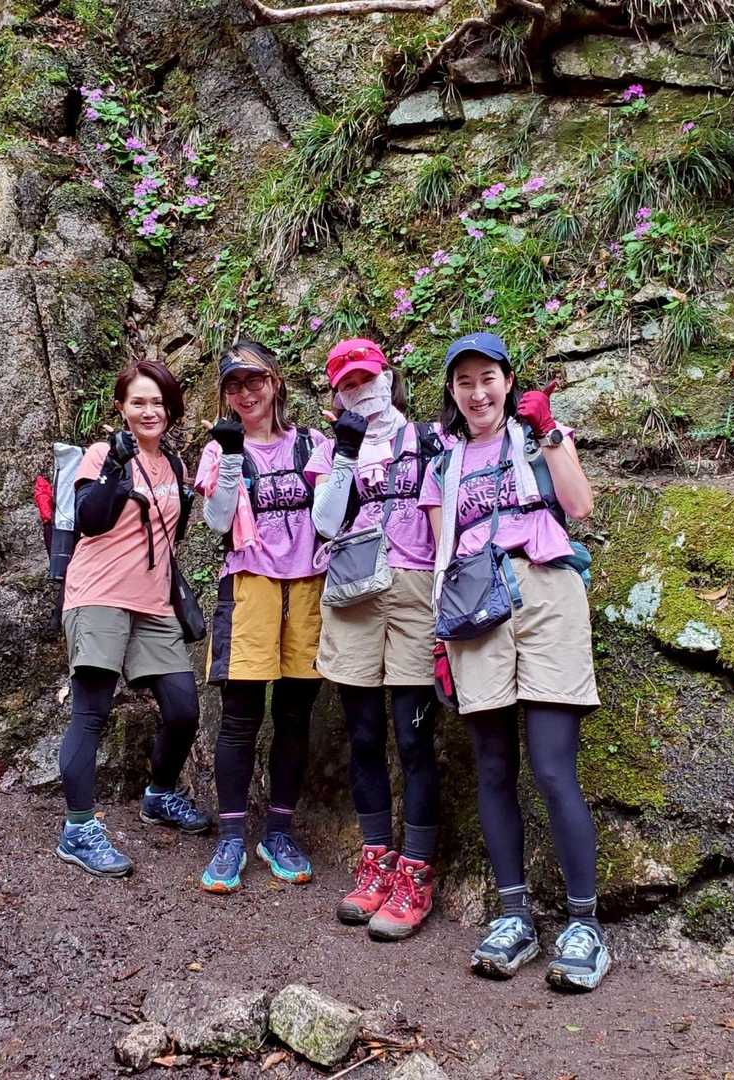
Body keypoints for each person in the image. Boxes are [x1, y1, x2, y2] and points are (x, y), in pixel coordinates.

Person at [417, 332, 610, 991]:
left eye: (488, 378)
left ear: (507, 381)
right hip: (474, 608)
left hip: (546, 593)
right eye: (464, 381)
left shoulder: (539, 439)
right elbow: (439, 556)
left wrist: (550, 432)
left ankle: (584, 924)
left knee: (553, 767)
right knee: (494, 767)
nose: (478, 392)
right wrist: (438, 642)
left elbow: (579, 506)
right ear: (452, 392)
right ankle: (514, 915)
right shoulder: (443, 465)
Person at [305, 339, 446, 942]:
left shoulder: (430, 439)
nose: (360, 390)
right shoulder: (331, 448)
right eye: (347, 384)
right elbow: (324, 522)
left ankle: (416, 872)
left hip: (415, 590)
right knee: (363, 735)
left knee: (414, 739)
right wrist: (345, 450)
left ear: (388, 377)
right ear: (336, 395)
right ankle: (375, 861)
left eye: (367, 378)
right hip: (353, 588)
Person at [55, 360, 209, 878]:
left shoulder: (175, 466)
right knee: (92, 711)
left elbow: (174, 532)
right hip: (98, 594)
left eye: (157, 402)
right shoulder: (102, 455)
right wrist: (114, 469)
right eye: (138, 402)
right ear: (121, 407)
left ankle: (159, 795)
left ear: (171, 409)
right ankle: (78, 829)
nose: (149, 411)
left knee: (183, 709)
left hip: (154, 603)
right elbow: (90, 519)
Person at [193, 340, 325, 893]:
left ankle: (278, 831)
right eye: (234, 385)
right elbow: (216, 521)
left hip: (309, 584)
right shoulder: (220, 447)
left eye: (254, 381)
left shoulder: (311, 444)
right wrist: (228, 462)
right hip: (249, 585)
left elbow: (332, 514)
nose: (246, 393)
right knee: (241, 716)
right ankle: (230, 837)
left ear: (275, 382)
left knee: (295, 715)